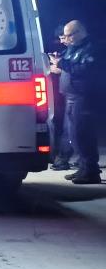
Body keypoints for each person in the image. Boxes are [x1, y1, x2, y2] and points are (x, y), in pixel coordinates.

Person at [49, 20, 99, 185]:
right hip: (71, 96)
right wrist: (59, 65)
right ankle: (83, 168)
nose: (66, 38)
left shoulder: (92, 48)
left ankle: (91, 171)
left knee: (83, 134)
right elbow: (70, 66)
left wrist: (61, 63)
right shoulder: (73, 48)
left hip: (83, 97)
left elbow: (84, 69)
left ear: (79, 32)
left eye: (69, 35)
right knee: (73, 135)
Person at [49, 29, 76, 170]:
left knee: (70, 128)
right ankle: (82, 161)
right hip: (66, 95)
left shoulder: (78, 51)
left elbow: (75, 69)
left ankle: (64, 158)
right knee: (68, 127)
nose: (61, 41)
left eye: (63, 37)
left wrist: (59, 66)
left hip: (75, 95)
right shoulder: (69, 50)